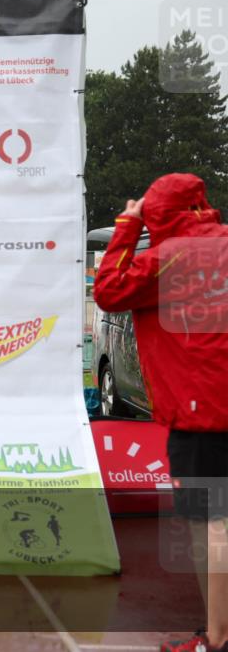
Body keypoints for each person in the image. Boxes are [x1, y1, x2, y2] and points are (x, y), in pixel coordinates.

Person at [93, 173, 227, 652]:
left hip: (201, 417)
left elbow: (108, 290)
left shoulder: (163, 261)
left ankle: (215, 637)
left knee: (209, 523)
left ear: (156, 214)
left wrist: (128, 225)